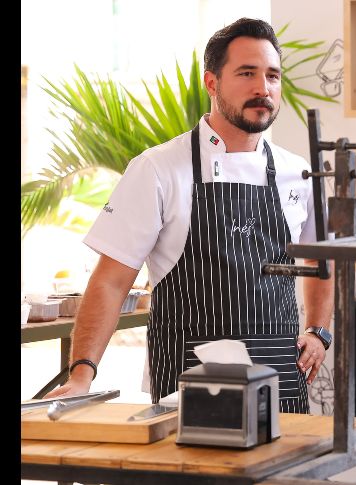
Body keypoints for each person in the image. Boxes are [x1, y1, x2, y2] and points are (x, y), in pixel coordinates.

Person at [44, 18, 334, 414]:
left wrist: (318, 332)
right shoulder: (158, 168)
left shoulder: (298, 172)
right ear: (211, 83)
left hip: (279, 377)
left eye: (272, 75)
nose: (262, 88)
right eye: (246, 73)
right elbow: (111, 282)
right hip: (188, 382)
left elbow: (323, 259)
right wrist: (81, 374)